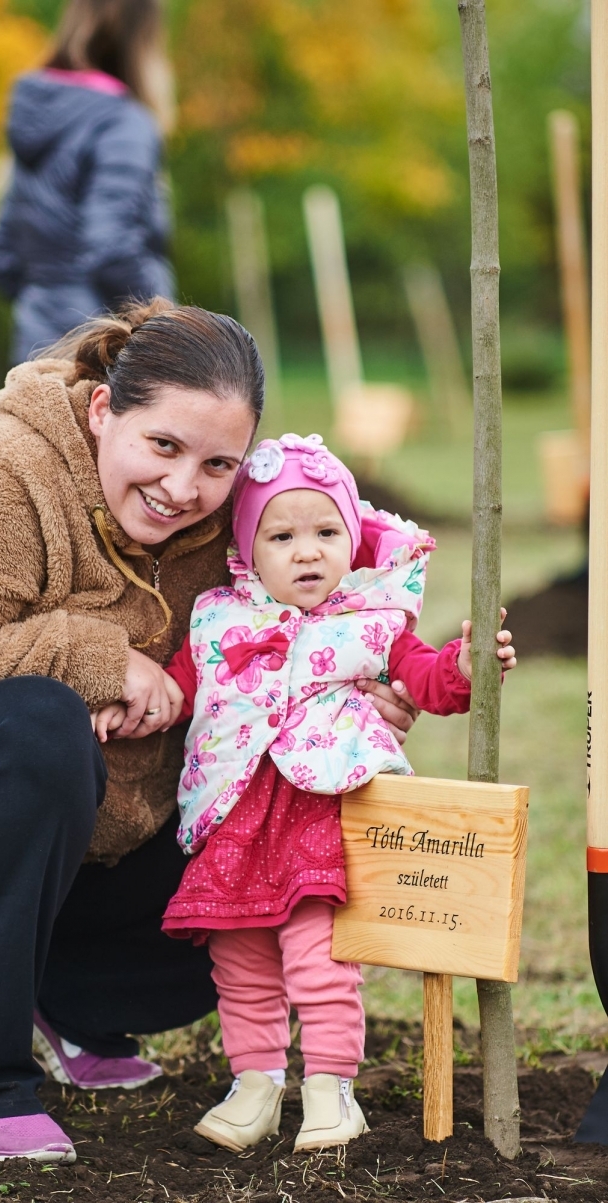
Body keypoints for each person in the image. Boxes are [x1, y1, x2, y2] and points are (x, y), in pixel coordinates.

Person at [0, 300, 418, 1163]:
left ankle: (58, 998)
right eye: (161, 446)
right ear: (103, 410)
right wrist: (97, 656)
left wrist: (347, 695)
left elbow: (281, 631)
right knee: (37, 723)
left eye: (216, 464)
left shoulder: (223, 521)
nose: (182, 488)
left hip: (85, 837)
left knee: (243, 879)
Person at [94, 432, 517, 1155]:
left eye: (327, 532)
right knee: (240, 960)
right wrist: (129, 704)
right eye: (282, 535)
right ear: (248, 551)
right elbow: (181, 691)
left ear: (351, 541)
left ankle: (330, 1088)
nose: (308, 551)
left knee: (318, 957)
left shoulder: (372, 621)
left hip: (318, 814)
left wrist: (468, 666)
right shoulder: (219, 620)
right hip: (233, 819)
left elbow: (426, 681)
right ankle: (255, 1083)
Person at [0, 0, 175, 364]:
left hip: (35, 355)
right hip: (108, 358)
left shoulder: (35, 116)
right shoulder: (123, 123)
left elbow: (4, 261)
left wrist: (49, 300)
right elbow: (113, 246)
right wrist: (169, 329)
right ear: (143, 37)